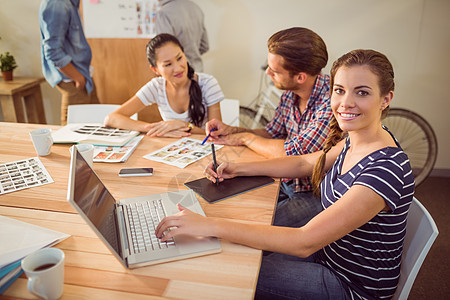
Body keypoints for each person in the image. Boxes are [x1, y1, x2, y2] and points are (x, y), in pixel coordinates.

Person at [156, 49, 415, 299]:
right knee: (234, 252)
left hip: (349, 285)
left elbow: (304, 241)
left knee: (230, 269)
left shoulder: (384, 168)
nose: (346, 103)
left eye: (362, 92)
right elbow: (304, 164)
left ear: (385, 99)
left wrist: (208, 225)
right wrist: (239, 169)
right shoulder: (356, 139)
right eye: (339, 90)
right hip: (326, 255)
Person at [207, 27, 333, 227]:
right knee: (232, 209)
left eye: (274, 71)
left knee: (252, 229)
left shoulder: (332, 103)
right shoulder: (291, 92)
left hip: (315, 194)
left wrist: (245, 138)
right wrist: (233, 131)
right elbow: (271, 133)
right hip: (285, 182)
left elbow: (292, 154)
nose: (267, 72)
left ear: (300, 77)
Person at [104, 33, 223, 137]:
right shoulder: (156, 87)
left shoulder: (208, 84)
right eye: (168, 64)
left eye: (180, 58)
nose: (177, 68)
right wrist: (157, 129)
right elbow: (111, 119)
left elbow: (216, 134)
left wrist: (184, 126)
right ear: (155, 69)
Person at [39, 0, 99, 125]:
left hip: (83, 76)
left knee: (96, 126)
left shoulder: (70, 3)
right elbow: (52, 51)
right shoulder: (57, 3)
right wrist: (77, 78)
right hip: (73, 79)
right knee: (73, 135)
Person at [155, 0, 209, 72]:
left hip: (179, 74)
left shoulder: (163, 13)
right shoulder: (195, 8)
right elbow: (205, 46)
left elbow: (166, 51)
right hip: (198, 72)